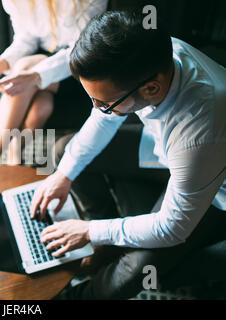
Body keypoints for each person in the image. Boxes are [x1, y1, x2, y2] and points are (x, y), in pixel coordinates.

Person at [30, 11, 226, 299]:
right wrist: (64, 174)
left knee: (136, 270)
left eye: (104, 102)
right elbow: (103, 119)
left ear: (150, 88)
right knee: (65, 153)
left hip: (216, 190)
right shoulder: (152, 53)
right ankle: (105, 249)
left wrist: (90, 230)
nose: (96, 108)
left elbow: (171, 228)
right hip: (168, 152)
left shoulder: (199, 133)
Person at [0, 0, 108, 174]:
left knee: (25, 67)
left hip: (80, 66)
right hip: (43, 59)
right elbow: (26, 40)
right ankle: (14, 160)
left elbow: (82, 48)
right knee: (41, 107)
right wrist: (1, 64)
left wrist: (36, 76)